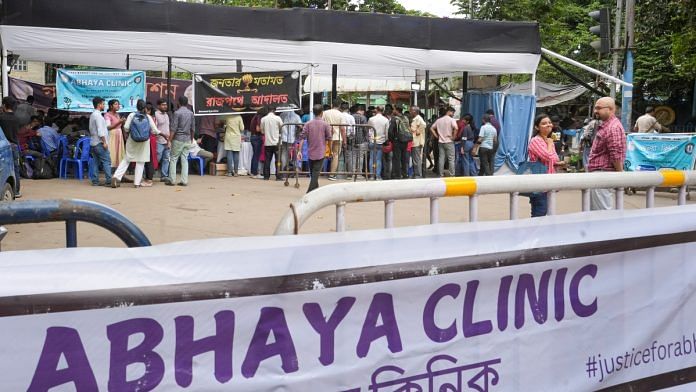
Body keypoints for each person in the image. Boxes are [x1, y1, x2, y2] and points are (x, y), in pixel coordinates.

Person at [587, 97, 626, 210]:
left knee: (602, 213)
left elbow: (616, 154)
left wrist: (620, 175)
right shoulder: (607, 125)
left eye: (598, 108)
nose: (595, 111)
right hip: (601, 175)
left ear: (610, 109)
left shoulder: (612, 127)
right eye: (595, 108)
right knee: (597, 212)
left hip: (603, 176)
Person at [111, 100, 161, 188]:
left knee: (127, 159)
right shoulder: (148, 117)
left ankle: (116, 177)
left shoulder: (131, 115)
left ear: (136, 107)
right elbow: (155, 131)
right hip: (144, 143)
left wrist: (132, 132)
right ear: (145, 107)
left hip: (132, 141)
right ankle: (136, 183)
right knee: (141, 161)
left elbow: (126, 128)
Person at [527, 114, 563, 217]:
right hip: (539, 184)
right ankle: (534, 232)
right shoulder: (536, 141)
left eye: (549, 122)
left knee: (546, 212)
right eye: (544, 123)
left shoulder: (547, 140)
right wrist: (550, 144)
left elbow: (555, 158)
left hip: (549, 183)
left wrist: (549, 144)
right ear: (537, 127)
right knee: (539, 212)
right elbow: (548, 156)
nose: (548, 125)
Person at [298, 104, 332, 193]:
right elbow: (329, 138)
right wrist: (330, 150)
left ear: (313, 112)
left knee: (313, 173)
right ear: (322, 113)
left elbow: (302, 137)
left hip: (311, 152)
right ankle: (309, 193)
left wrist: (299, 150)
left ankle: (315, 191)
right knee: (315, 174)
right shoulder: (325, 124)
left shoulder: (308, 124)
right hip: (321, 152)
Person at [166, 96, 195, 186]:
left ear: (178, 103)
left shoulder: (177, 113)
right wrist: (191, 139)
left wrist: (169, 140)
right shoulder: (190, 113)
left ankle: (172, 180)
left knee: (174, 159)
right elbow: (193, 128)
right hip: (187, 139)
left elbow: (173, 128)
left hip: (178, 139)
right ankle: (184, 181)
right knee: (184, 159)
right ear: (186, 103)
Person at [87, 96, 113, 187]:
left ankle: (95, 181)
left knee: (95, 162)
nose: (104, 105)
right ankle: (109, 181)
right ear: (99, 105)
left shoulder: (93, 114)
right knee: (106, 161)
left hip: (94, 142)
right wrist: (104, 142)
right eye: (103, 104)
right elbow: (100, 130)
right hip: (99, 142)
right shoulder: (97, 116)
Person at [0, 97, 22, 196]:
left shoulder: (1, 117)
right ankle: (16, 191)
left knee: (5, 170)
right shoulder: (17, 118)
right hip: (14, 146)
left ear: (4, 105)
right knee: (16, 168)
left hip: (4, 147)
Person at [430, 107, 458, 177]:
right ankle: (452, 174)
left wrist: (436, 136)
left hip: (440, 142)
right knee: (451, 159)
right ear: (449, 111)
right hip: (449, 141)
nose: (453, 114)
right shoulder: (452, 120)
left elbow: (432, 128)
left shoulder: (439, 120)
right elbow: (456, 128)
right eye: (453, 112)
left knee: (441, 158)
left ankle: (441, 174)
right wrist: (453, 137)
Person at [322, 101, 345, 181]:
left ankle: (320, 172)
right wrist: (345, 140)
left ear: (332, 105)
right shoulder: (341, 115)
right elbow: (342, 129)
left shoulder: (325, 113)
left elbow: (321, 124)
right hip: (337, 137)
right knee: (335, 156)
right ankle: (332, 175)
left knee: (323, 154)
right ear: (339, 106)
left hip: (326, 137)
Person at [261, 107, 283, 181]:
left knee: (267, 160)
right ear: (274, 111)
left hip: (268, 143)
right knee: (278, 160)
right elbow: (282, 128)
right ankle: (278, 176)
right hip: (277, 143)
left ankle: (266, 176)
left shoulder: (263, 119)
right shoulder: (278, 118)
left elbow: (262, 131)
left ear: (268, 111)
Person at [367, 106, 389, 180]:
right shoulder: (386, 120)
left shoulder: (371, 119)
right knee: (378, 159)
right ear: (383, 110)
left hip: (372, 140)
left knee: (371, 159)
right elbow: (386, 132)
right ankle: (378, 176)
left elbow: (368, 129)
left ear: (376, 110)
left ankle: (371, 175)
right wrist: (386, 140)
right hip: (381, 141)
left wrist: (369, 138)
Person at [280, 109, 302, 180]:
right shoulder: (296, 116)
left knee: (284, 154)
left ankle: (283, 171)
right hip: (291, 137)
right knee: (291, 155)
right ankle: (290, 171)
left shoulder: (282, 114)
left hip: (283, 137)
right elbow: (301, 126)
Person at [389, 106, 411, 179]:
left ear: (397, 110)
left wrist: (392, 140)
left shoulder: (394, 119)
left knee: (396, 158)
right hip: (405, 140)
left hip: (397, 141)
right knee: (404, 158)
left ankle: (397, 174)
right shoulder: (406, 118)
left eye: (394, 109)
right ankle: (405, 174)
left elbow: (390, 131)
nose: (393, 110)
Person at [104, 99, 125, 169]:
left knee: (119, 154)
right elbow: (108, 127)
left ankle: (119, 174)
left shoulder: (117, 115)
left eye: (118, 104)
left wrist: (122, 122)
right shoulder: (107, 115)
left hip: (119, 135)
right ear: (110, 106)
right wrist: (119, 122)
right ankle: (109, 175)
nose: (118, 105)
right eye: (116, 104)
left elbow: (119, 125)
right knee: (112, 153)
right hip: (112, 136)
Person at [154, 99, 171, 181]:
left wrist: (169, 140)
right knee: (157, 158)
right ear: (158, 106)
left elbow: (168, 128)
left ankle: (164, 176)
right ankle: (149, 174)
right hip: (158, 141)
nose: (165, 106)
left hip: (167, 141)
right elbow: (154, 129)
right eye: (163, 105)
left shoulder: (166, 115)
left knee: (166, 159)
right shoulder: (156, 115)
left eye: (166, 105)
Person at [350, 105, 369, 178]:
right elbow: (365, 129)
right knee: (360, 157)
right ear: (361, 110)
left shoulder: (351, 116)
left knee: (353, 157)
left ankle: (352, 172)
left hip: (353, 140)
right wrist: (367, 139)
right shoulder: (363, 117)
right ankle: (359, 173)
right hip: (361, 140)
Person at [409, 106, 426, 178]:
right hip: (414, 141)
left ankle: (418, 174)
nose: (410, 112)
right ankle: (416, 173)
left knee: (417, 159)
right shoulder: (415, 119)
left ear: (415, 111)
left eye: (411, 110)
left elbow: (424, 125)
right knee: (414, 159)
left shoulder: (418, 118)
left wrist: (418, 131)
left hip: (417, 142)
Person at [248, 107, 266, 179]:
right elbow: (258, 129)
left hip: (253, 137)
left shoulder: (254, 117)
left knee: (254, 155)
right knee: (257, 156)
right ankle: (255, 173)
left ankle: (253, 172)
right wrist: (264, 131)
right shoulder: (259, 117)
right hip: (257, 138)